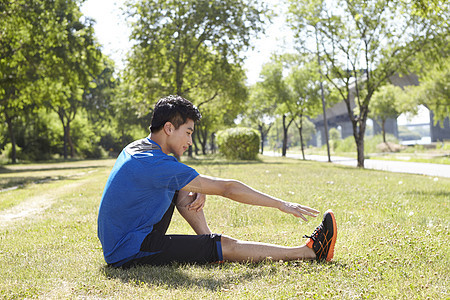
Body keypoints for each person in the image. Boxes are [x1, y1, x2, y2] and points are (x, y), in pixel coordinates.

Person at [97, 95, 337, 268]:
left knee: (184, 190)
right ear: (169, 128)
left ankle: (211, 248)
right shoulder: (154, 164)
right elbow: (227, 188)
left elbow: (172, 176)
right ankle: (310, 253)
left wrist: (192, 184)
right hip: (130, 248)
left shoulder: (140, 148)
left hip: (125, 236)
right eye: (188, 132)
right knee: (229, 244)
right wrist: (281, 204)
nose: (190, 141)